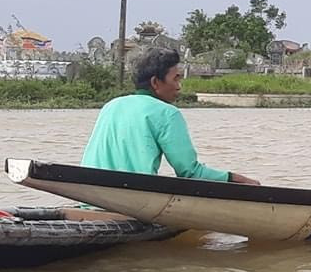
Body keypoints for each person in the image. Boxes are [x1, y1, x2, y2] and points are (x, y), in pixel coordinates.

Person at [82, 48, 258, 184]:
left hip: (89, 196)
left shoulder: (111, 105)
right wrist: (236, 179)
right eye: (175, 79)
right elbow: (190, 173)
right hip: (134, 200)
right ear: (155, 82)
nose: (179, 86)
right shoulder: (167, 113)